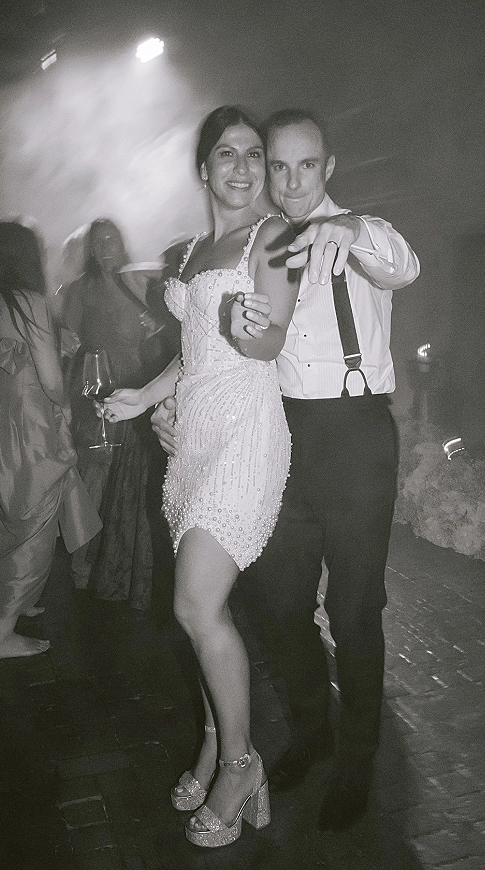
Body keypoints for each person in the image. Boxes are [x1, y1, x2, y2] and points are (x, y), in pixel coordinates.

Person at [153, 108, 421, 832]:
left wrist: (351, 231)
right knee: (279, 604)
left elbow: (403, 263)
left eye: (308, 165)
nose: (292, 180)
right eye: (280, 166)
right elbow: (227, 353)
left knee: (357, 608)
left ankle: (358, 757)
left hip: (355, 434)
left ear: (329, 168)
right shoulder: (262, 243)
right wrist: (174, 403)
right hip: (281, 434)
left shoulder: (362, 233)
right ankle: (310, 732)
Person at [100, 105, 299, 847]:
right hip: (193, 435)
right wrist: (145, 398)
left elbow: (265, 336)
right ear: (204, 169)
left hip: (247, 429)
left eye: (254, 155)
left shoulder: (271, 236)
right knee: (200, 609)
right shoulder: (189, 254)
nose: (244, 168)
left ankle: (242, 761)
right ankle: (218, 742)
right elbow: (194, 351)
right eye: (227, 155)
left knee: (194, 603)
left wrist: (260, 333)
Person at [0, 220, 102, 660]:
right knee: (34, 518)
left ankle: (17, 598)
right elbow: (51, 380)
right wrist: (66, 402)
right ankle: (2, 636)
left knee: (6, 508)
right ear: (28, 255)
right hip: (27, 420)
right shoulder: (28, 301)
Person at [60, 218, 174, 608]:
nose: (106, 246)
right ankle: (82, 564)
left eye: (112, 239)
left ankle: (123, 563)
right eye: (99, 242)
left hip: (138, 384)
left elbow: (161, 329)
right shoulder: (79, 289)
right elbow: (65, 340)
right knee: (94, 474)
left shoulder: (135, 281)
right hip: (95, 385)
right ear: (91, 249)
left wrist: (153, 325)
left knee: (130, 478)